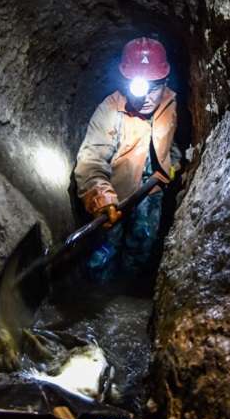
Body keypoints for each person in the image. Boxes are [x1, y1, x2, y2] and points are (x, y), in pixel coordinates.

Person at [74, 37, 181, 285]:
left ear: (165, 81)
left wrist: (173, 163)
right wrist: (101, 198)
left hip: (151, 193)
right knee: (102, 257)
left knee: (141, 249)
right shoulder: (110, 110)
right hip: (115, 197)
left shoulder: (170, 103)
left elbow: (170, 139)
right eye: (136, 87)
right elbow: (91, 160)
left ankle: (128, 298)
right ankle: (96, 301)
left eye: (152, 88)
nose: (144, 97)